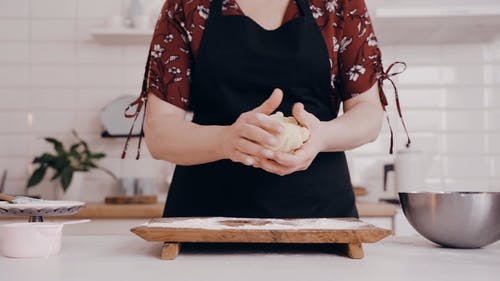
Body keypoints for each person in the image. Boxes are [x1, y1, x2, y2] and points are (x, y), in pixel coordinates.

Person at [122, 0, 408, 219]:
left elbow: (368, 113)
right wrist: (225, 141)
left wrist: (322, 135)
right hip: (204, 221)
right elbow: (160, 132)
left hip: (320, 219)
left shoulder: (338, 4)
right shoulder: (187, 6)